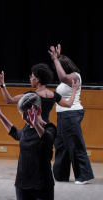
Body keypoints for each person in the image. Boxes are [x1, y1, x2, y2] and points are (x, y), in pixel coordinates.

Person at [48, 44, 94, 185]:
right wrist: (58, 57)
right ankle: (60, 174)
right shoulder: (67, 77)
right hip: (63, 116)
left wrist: (57, 60)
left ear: (64, 67)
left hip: (71, 114)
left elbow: (62, 77)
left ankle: (83, 176)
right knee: (61, 145)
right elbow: (61, 76)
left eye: (58, 67)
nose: (56, 70)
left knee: (75, 145)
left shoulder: (75, 76)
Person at [0, 63, 79, 123]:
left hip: (34, 128)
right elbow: (69, 104)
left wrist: (2, 83)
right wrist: (74, 90)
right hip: (46, 128)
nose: (30, 79)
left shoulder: (31, 95)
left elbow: (9, 100)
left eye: (32, 77)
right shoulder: (54, 95)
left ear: (37, 80)